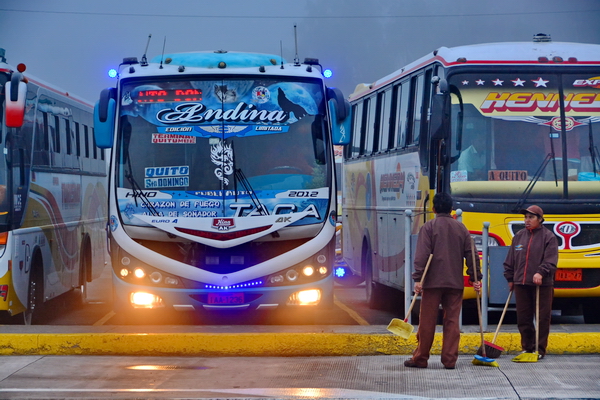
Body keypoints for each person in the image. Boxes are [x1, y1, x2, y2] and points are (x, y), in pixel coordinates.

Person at [404, 193, 481, 370]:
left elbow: (422, 254)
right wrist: (475, 277)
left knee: (427, 321)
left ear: (434, 209)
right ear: (451, 208)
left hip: (432, 282)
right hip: (454, 281)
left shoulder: (429, 227)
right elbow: (472, 254)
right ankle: (449, 360)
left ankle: (421, 358)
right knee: (452, 321)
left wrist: (418, 277)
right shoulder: (461, 228)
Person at [503, 205, 558, 360]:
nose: (527, 220)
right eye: (526, 217)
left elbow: (551, 260)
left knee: (542, 317)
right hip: (521, 283)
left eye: (531, 217)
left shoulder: (549, 237)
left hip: (542, 285)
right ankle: (527, 348)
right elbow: (510, 261)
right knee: (523, 318)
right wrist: (510, 278)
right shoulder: (519, 236)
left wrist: (540, 272)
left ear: (540, 219)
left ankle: (539, 350)